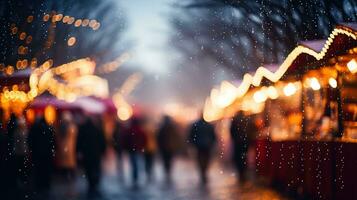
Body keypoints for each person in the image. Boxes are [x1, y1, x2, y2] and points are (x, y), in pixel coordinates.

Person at [77, 117, 106, 197]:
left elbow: (79, 141)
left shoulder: (82, 129)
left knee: (88, 169)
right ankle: (95, 183)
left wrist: (79, 151)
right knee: (96, 168)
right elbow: (102, 141)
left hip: (87, 154)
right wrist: (102, 151)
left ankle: (91, 184)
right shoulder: (97, 129)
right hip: (96, 154)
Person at [28, 116, 55, 197]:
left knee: (38, 170)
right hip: (47, 154)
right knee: (46, 170)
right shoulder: (49, 128)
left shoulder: (34, 128)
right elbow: (53, 141)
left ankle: (39, 185)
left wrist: (32, 150)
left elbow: (30, 141)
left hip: (37, 154)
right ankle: (46, 185)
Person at [188, 115, 216, 185]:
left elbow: (191, 135)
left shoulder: (195, 125)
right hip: (208, 145)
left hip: (199, 145)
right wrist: (212, 143)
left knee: (200, 159)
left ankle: (202, 172)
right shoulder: (209, 125)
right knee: (207, 159)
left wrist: (193, 143)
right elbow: (213, 136)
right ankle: (205, 171)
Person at [230, 111, 256, 183]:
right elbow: (253, 129)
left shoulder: (235, 120)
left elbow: (231, 131)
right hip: (246, 142)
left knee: (238, 157)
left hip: (238, 142)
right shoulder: (247, 119)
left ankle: (241, 172)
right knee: (244, 156)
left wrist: (235, 139)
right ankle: (244, 171)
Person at [122, 117, 147, 188]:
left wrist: (125, 147)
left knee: (134, 163)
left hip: (132, 150)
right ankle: (136, 176)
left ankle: (135, 176)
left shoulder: (129, 130)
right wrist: (142, 146)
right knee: (137, 163)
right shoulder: (140, 130)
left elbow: (124, 139)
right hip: (138, 149)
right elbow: (145, 139)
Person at [55, 112, 77, 181]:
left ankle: (64, 176)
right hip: (70, 148)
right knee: (70, 164)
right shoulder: (72, 127)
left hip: (62, 148)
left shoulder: (60, 127)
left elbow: (57, 137)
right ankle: (70, 176)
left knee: (64, 164)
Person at [157, 115, 180, 182]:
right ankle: (168, 170)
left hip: (164, 147)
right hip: (170, 147)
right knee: (169, 159)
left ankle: (167, 170)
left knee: (165, 160)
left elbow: (159, 138)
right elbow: (176, 137)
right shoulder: (173, 127)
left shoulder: (162, 127)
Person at [142, 117, 157, 182]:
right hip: (151, 148)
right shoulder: (152, 130)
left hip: (146, 148)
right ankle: (150, 171)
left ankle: (148, 172)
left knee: (147, 161)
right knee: (150, 161)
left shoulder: (144, 129)